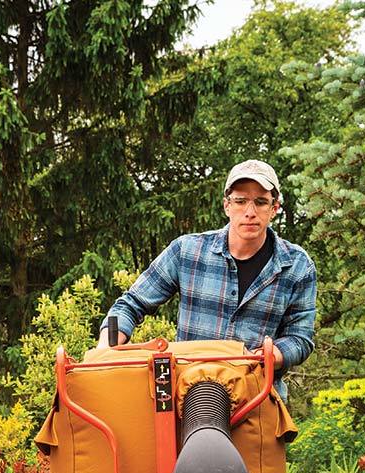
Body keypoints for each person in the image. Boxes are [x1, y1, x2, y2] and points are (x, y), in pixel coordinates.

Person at [99, 159, 316, 401]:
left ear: (274, 208)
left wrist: (269, 355)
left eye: (261, 202)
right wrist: (105, 350)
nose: (250, 212)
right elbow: (131, 304)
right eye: (241, 201)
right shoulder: (187, 251)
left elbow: (300, 338)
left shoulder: (297, 265)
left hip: (257, 398)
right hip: (186, 395)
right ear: (227, 205)